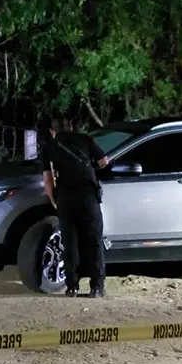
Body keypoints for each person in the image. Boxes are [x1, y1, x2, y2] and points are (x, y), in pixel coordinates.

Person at [40, 117, 110, 298]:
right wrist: (92, 168)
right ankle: (97, 287)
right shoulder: (85, 140)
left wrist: (54, 201)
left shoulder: (49, 148)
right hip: (88, 197)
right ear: (71, 126)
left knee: (70, 243)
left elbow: (48, 180)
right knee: (94, 241)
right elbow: (104, 161)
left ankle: (72, 287)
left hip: (66, 198)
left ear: (52, 131)